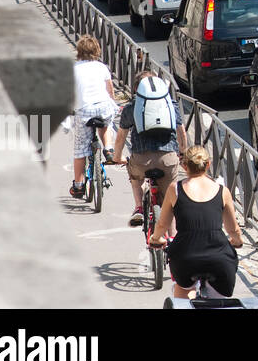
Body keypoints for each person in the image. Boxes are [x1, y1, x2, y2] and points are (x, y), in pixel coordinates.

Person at [149, 145, 242, 299]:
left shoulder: (175, 189)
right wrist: (236, 241)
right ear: (208, 164)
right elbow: (233, 229)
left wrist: (156, 238)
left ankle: (184, 300)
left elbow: (162, 224)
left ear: (184, 166)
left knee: (184, 290)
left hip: (186, 256)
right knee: (218, 300)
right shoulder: (222, 190)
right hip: (218, 257)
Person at [110, 72, 187, 227]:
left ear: (136, 88)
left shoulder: (131, 108)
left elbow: (120, 138)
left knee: (134, 175)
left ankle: (139, 206)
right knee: (169, 204)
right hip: (168, 160)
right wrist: (183, 153)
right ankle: (171, 240)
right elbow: (181, 133)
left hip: (141, 161)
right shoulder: (170, 105)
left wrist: (117, 157)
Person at [69, 35, 118, 199]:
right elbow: (110, 90)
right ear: (96, 50)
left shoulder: (74, 68)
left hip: (84, 110)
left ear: (79, 51)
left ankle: (78, 186)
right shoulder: (101, 67)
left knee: (80, 149)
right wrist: (112, 103)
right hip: (102, 106)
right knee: (106, 123)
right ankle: (109, 150)